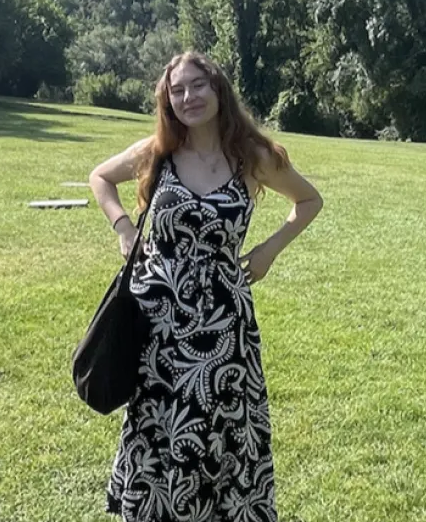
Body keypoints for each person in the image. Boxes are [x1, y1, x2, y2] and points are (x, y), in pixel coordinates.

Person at [89, 51, 324, 521]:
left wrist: (269, 250)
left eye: (197, 86)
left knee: (220, 425)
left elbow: (309, 200)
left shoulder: (252, 157)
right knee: (158, 423)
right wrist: (123, 228)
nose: (187, 97)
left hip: (223, 327)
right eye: (176, 90)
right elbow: (100, 177)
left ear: (218, 90)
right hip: (158, 324)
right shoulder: (158, 151)